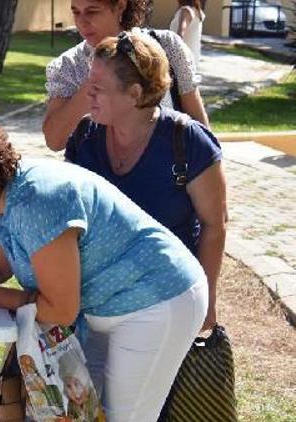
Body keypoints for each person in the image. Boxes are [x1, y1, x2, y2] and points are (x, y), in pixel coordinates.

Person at [0, 117, 208, 421]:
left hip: (158, 299)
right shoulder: (1, 197)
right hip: (111, 306)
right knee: (84, 412)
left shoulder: (39, 202)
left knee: (123, 418)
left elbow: (59, 310)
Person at [65, 30, 226, 331]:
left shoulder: (189, 141)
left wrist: (208, 298)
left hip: (166, 299)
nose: (88, 95)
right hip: (96, 302)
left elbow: (214, 224)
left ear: (135, 94)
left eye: (98, 88)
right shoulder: (85, 137)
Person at [42, 0, 209, 152]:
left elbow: (200, 130)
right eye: (76, 12)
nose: (81, 21)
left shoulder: (166, 46)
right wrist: (95, 82)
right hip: (102, 181)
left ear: (121, 6)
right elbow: (54, 141)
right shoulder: (69, 65)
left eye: (92, 11)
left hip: (168, 176)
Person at [170, 0, 205, 67]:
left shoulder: (186, 11)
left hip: (181, 62)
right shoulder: (197, 11)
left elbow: (179, 36)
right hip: (191, 62)